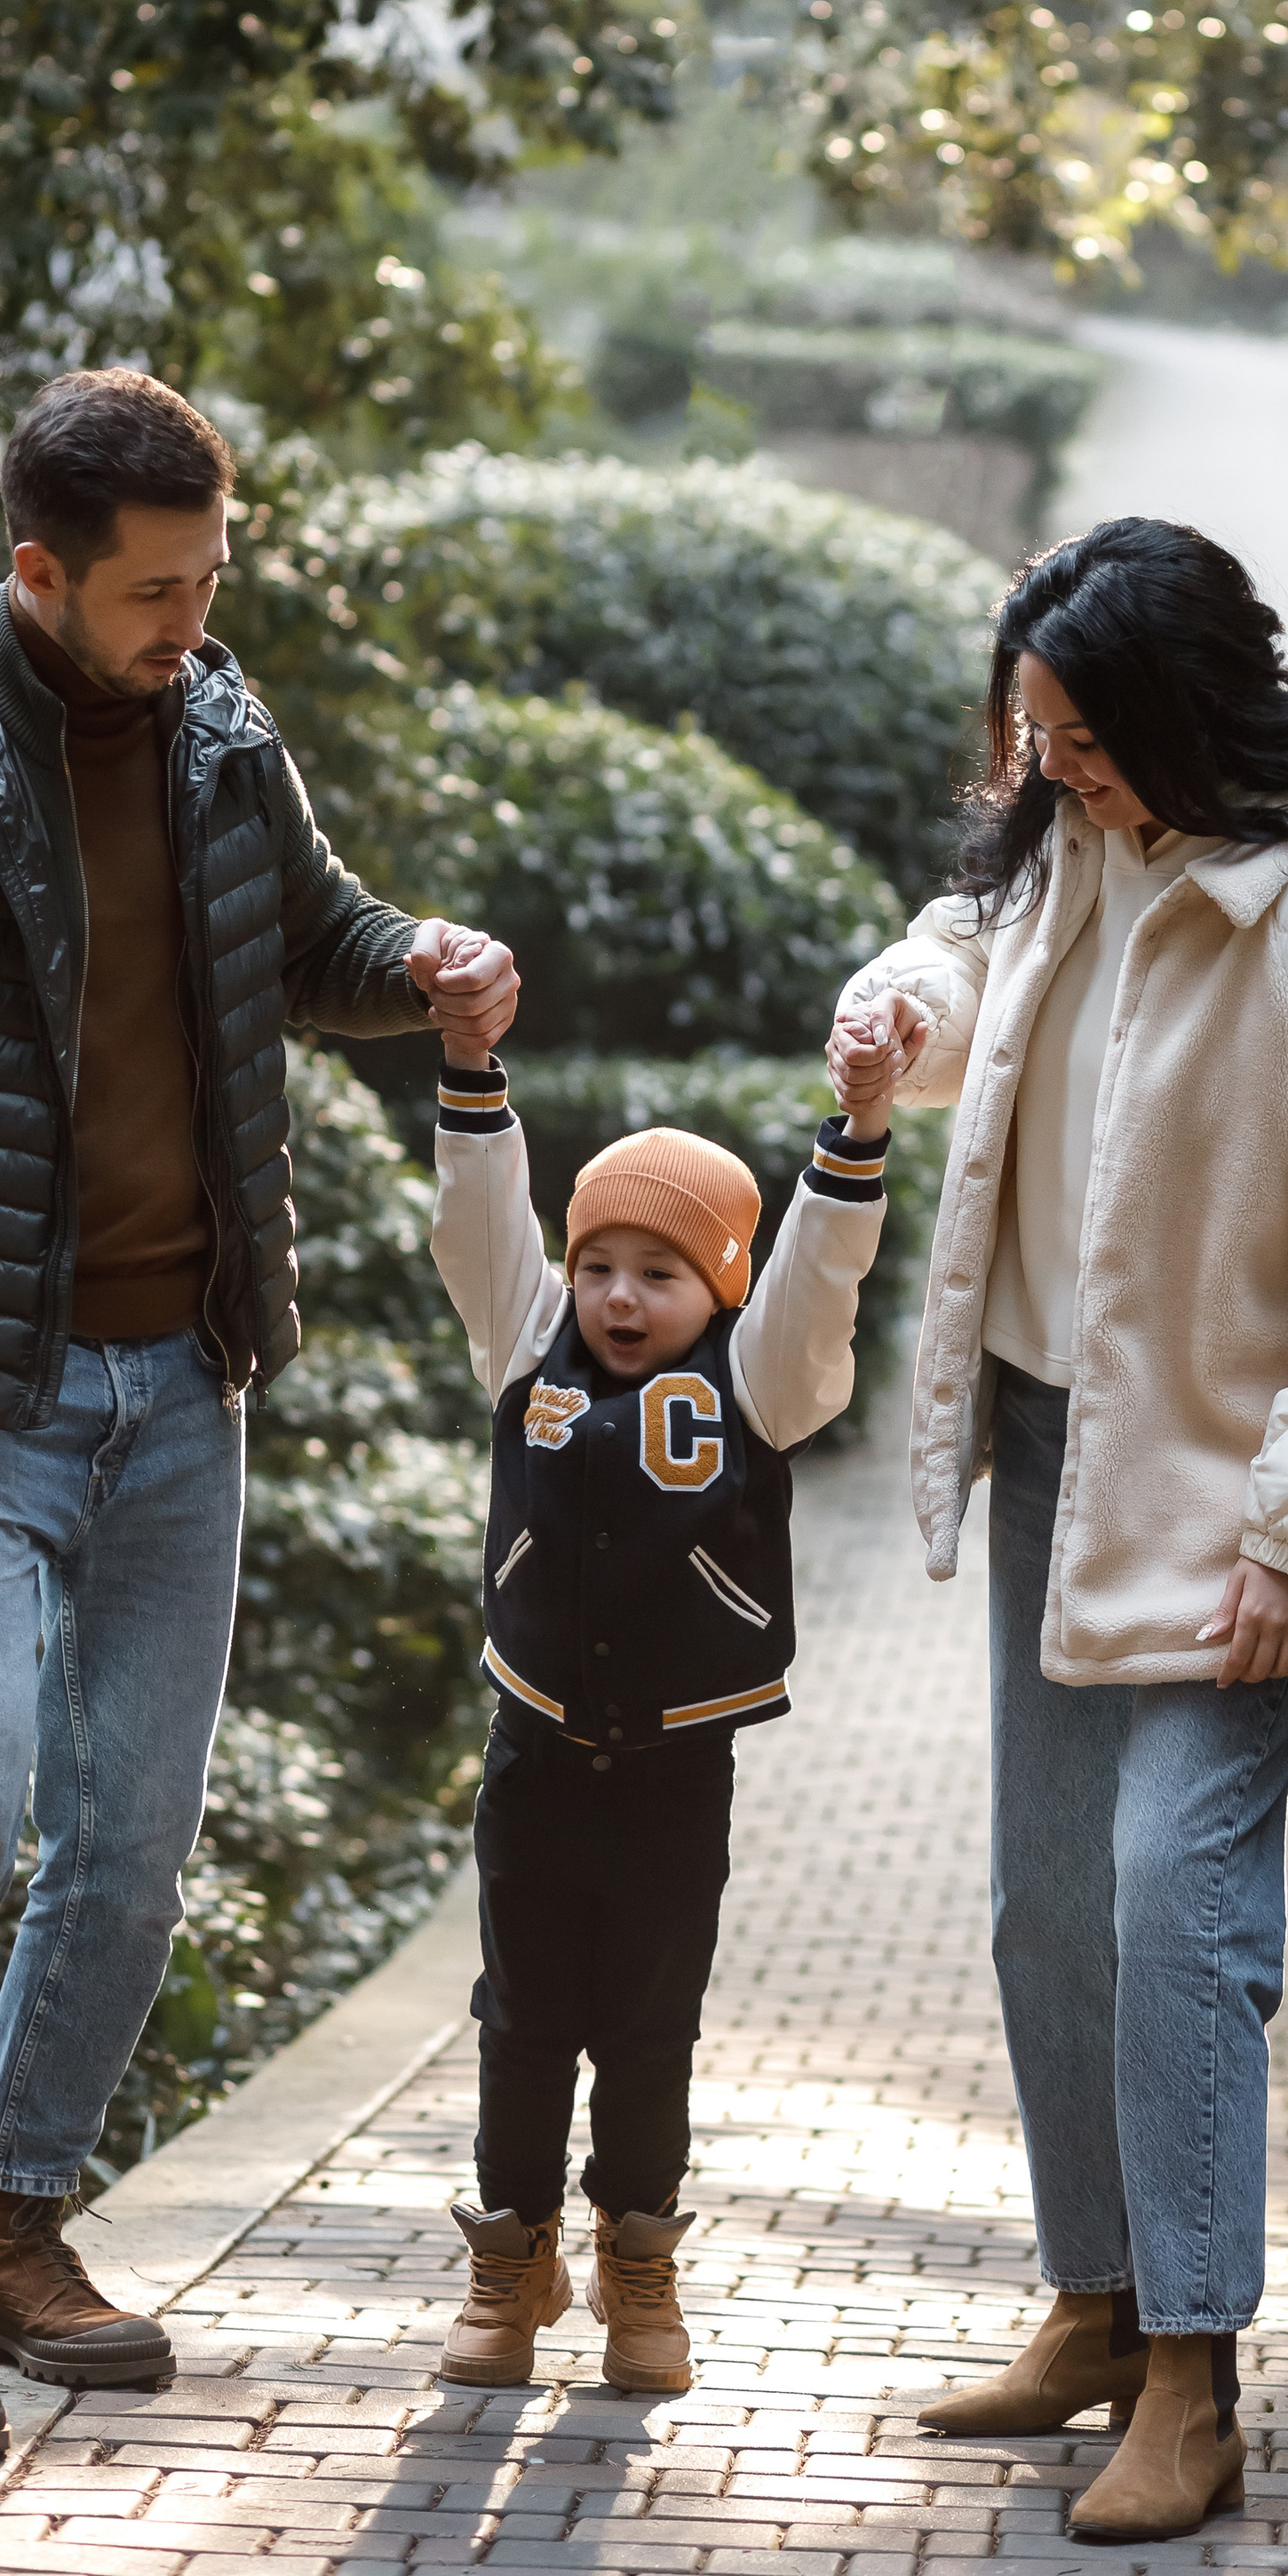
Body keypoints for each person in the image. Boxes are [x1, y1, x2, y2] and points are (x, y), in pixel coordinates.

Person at [0, 366, 520, 2462]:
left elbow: (308, 944)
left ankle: (12, 2224)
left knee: (132, 1843)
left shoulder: (221, 731)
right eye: (155, 591)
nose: (192, 622)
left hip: (180, 1381)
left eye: (210, 578)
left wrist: (422, 962)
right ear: (40, 573)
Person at [825, 517, 1288, 2543]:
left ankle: (1193, 2379)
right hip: (1056, 1452)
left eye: (1085, 738)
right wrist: (896, 1004)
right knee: (1047, 1905)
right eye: (1031, 738)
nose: (1053, 772)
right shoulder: (1062, 849)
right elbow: (970, 952)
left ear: (1185, 712)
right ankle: (1095, 2304)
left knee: (1168, 1905)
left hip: (1236, 1498)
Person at [425, 1008, 903, 2396]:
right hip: (534, 1758)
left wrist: (859, 1132)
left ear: (722, 1285)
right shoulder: (528, 1351)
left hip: (677, 1778)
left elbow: (820, 1275)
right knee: (521, 2023)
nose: (620, 1299)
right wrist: (470, 1070)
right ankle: (512, 2257)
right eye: (598, 1268)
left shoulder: (758, 1378)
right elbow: (479, 1226)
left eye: (660, 1274)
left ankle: (639, 2260)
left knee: (648, 2033)